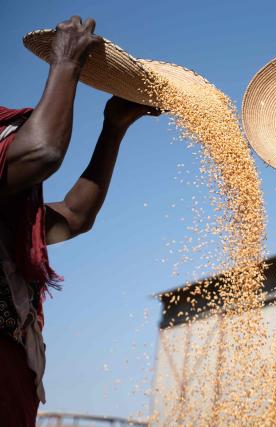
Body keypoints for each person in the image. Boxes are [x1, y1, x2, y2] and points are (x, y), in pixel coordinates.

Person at [0, 16, 159, 426]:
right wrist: (66, 63)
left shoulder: (10, 221)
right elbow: (42, 153)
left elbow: (74, 215)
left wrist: (113, 128)